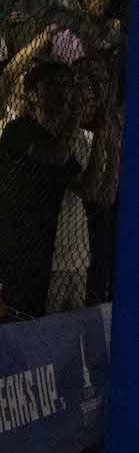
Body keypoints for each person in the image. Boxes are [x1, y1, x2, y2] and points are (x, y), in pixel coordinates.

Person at [0, 60, 88, 318]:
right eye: (52, 84)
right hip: (9, 252)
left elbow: (90, 190)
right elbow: (56, 157)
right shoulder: (19, 130)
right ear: (33, 93)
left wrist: (107, 133)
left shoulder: (55, 139)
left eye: (67, 86)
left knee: (29, 322)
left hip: (40, 255)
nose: (61, 92)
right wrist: (74, 117)